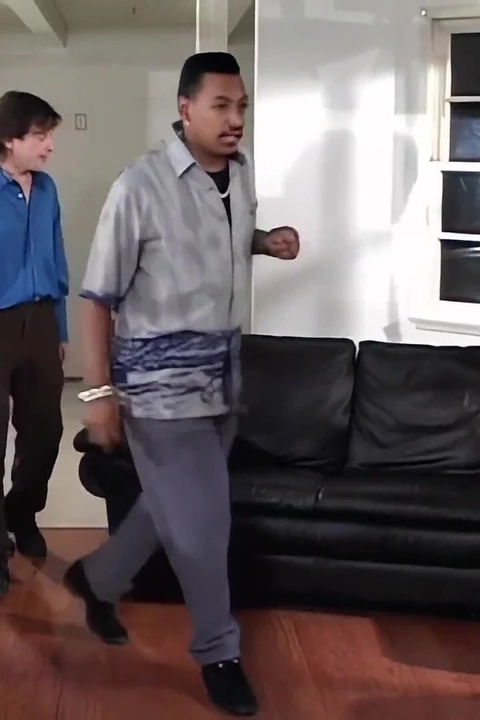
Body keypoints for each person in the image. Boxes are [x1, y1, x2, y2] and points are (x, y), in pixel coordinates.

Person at [65, 53, 299, 717]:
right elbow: (98, 297)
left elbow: (218, 238)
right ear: (185, 108)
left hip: (223, 380)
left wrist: (264, 241)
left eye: (241, 105)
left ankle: (97, 579)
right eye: (220, 105)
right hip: (159, 392)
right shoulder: (138, 186)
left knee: (167, 508)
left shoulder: (241, 174)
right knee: (202, 528)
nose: (235, 118)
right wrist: (98, 395)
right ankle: (219, 653)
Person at [0, 91, 68, 596]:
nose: (49, 146)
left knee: (45, 431)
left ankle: (21, 512)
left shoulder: (46, 189)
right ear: (9, 139)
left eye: (50, 136)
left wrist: (60, 328)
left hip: (42, 319)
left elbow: (56, 256)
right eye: (40, 136)